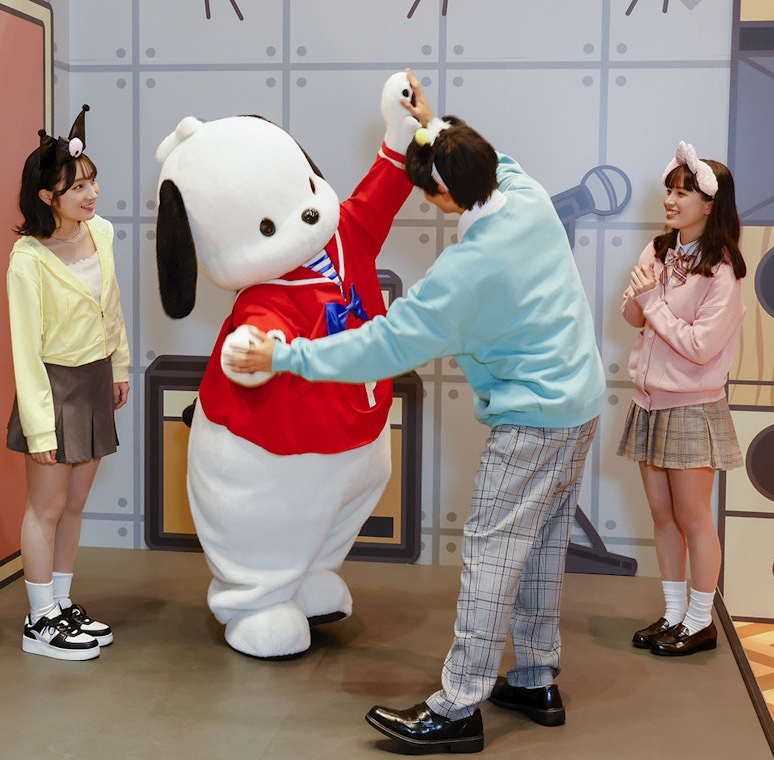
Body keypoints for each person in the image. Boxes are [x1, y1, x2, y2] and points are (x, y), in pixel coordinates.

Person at [225, 70, 605, 754]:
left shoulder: (466, 272)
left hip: (532, 416)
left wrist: (284, 357)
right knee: (543, 542)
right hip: (580, 403)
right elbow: (489, 156)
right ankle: (536, 677)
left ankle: (458, 706)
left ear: (440, 196)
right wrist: (429, 124)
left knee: (491, 551)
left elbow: (382, 345)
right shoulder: (524, 193)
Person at [7, 105, 130, 661]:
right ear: (46, 197)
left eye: (91, 181)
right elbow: (25, 351)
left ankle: (60, 603)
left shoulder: (101, 232)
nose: (91, 194)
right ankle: (39, 620)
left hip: (96, 378)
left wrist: (119, 367)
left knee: (75, 504)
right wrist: (39, 428)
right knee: (47, 508)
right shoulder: (27, 259)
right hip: (52, 389)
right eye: (77, 186)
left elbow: (112, 307)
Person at [619, 141, 745, 657]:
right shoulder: (658, 251)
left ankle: (700, 620)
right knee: (662, 515)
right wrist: (639, 299)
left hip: (692, 406)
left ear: (710, 205)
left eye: (682, 193)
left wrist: (651, 300)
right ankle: (673, 614)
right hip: (649, 401)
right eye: (668, 191)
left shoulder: (723, 270)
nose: (670, 201)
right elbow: (632, 317)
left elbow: (699, 346)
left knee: (694, 518)